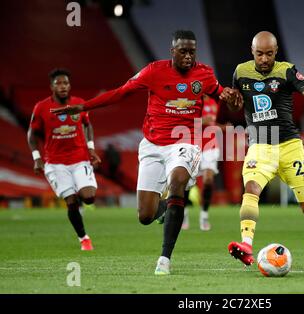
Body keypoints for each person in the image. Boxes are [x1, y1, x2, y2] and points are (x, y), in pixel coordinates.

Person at [51, 30, 241, 275]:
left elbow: (226, 100)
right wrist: (84, 106)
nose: (188, 56)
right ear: (172, 51)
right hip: (152, 146)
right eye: (182, 51)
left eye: (192, 51)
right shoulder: (153, 71)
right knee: (145, 216)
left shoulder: (204, 74)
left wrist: (234, 101)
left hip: (185, 142)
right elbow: (120, 92)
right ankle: (165, 208)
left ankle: (164, 259)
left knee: (178, 182)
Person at [225, 31, 304, 266]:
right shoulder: (240, 72)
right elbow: (237, 106)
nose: (264, 59)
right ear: (252, 51)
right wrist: (232, 101)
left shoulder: (287, 71)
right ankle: (246, 244)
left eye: (269, 54)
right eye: (260, 54)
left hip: (290, 146)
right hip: (260, 145)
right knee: (251, 188)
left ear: (276, 52)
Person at [27, 68, 101, 251]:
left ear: (70, 85)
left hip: (80, 159)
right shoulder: (41, 107)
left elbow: (87, 125)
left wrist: (91, 149)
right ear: (51, 87)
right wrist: (36, 158)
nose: (62, 86)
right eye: (58, 83)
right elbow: (32, 134)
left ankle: (79, 198)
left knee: (89, 197)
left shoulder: (79, 103)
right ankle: (84, 238)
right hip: (55, 163)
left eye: (65, 83)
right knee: (70, 201)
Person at [181, 95, 221, 231]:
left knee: (208, 180)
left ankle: (204, 215)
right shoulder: (190, 102)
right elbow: (183, 123)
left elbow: (213, 123)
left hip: (211, 146)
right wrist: (202, 121)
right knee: (186, 184)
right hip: (192, 145)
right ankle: (184, 213)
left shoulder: (214, 101)